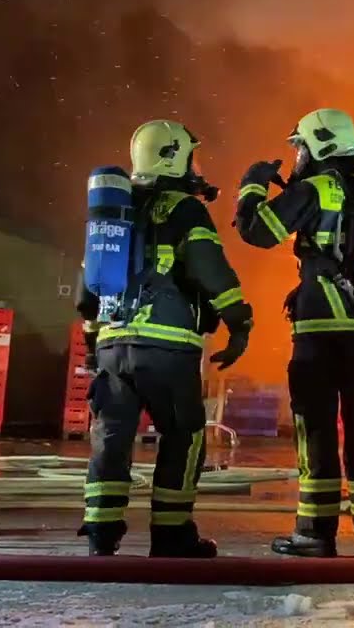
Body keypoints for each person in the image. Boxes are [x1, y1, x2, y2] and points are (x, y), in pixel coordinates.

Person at [235, 108, 354, 559]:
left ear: (318, 145)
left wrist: (252, 185)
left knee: (315, 430)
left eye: (299, 145)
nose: (296, 154)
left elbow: (258, 231)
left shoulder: (315, 187)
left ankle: (315, 534)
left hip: (318, 332)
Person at [75, 119, 254, 558]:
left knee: (112, 435)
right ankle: (172, 534)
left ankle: (101, 532)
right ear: (174, 156)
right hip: (168, 347)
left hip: (113, 345)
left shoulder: (114, 212)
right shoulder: (184, 208)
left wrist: (92, 343)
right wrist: (240, 320)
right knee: (182, 434)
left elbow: (86, 292)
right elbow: (211, 271)